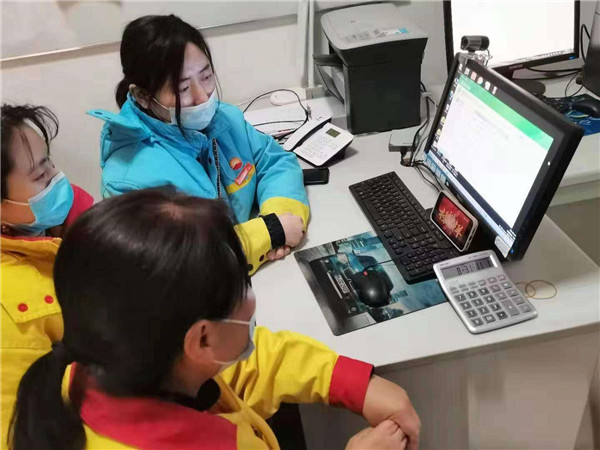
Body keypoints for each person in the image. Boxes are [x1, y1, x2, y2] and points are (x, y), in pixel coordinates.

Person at [9, 188, 420, 449]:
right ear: (201, 338)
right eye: (242, 286)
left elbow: (238, 369)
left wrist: (347, 380)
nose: (250, 298)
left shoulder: (91, 372)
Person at [88, 14, 309, 275]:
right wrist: (269, 232)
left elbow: (275, 162)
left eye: (206, 77)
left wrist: (280, 214)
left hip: (263, 274)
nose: (202, 96)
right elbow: (176, 265)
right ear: (143, 96)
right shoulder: (128, 180)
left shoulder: (226, 119)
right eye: (182, 88)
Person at [0, 104, 94, 449]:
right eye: (41, 177)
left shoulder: (69, 224)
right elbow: (16, 432)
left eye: (50, 164)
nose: (58, 179)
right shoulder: (9, 311)